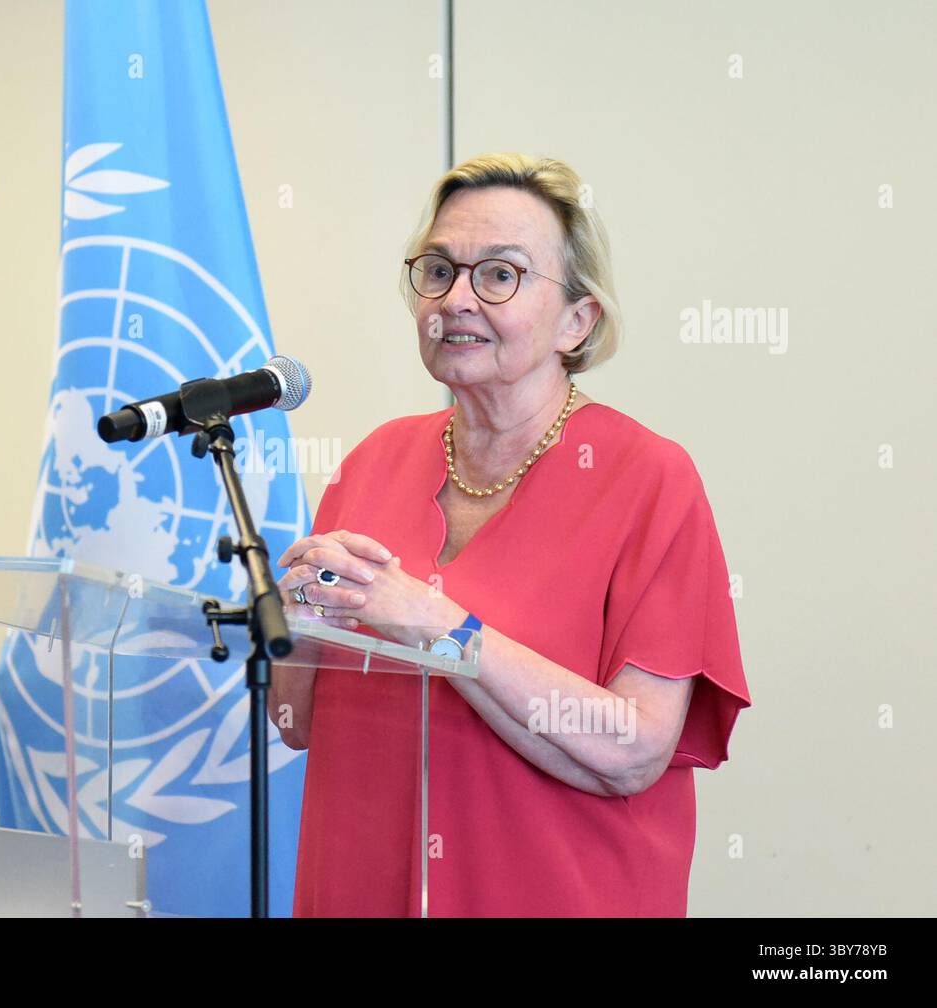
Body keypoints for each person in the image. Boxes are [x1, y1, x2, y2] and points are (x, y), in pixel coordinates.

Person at [270, 153, 751, 917]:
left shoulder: (647, 478)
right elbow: (295, 724)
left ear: (577, 320)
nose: (456, 299)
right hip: (361, 882)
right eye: (437, 270)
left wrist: (440, 628)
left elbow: (634, 751)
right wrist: (296, 622)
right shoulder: (373, 460)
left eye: (500, 275)